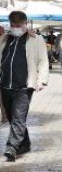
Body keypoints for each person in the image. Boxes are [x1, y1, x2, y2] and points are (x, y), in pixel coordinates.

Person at [0, 11, 49, 161]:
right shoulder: (5, 38)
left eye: (18, 25)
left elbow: (43, 60)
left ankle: (11, 147)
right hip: (5, 84)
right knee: (12, 117)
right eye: (12, 24)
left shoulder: (36, 39)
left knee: (19, 117)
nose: (15, 27)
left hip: (24, 86)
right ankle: (25, 143)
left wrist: (42, 79)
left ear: (24, 23)